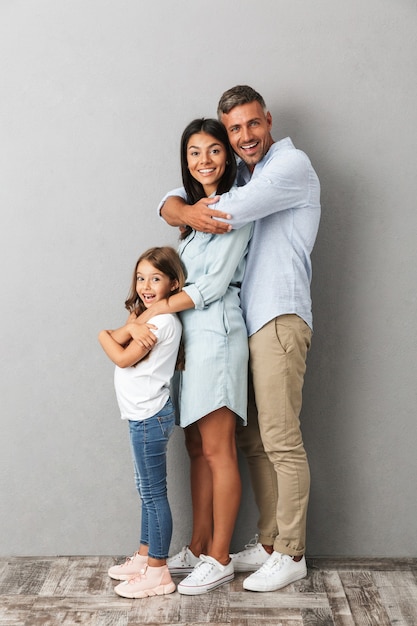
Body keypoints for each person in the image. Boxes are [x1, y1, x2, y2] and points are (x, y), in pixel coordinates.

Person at [159, 85, 321, 592]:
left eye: (252, 124)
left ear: (268, 120)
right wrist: (176, 203)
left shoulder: (287, 167)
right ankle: (271, 542)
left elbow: (221, 210)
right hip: (251, 322)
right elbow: (186, 194)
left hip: (280, 315)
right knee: (254, 440)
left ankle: (291, 551)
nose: (245, 136)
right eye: (234, 129)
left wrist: (181, 208)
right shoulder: (250, 169)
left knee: (281, 438)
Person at [128, 118, 253, 595]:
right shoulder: (194, 217)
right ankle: (199, 546)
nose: (205, 160)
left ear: (229, 156)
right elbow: (168, 206)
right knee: (196, 447)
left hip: (219, 338)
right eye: (195, 152)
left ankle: (219, 556)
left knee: (219, 450)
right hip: (190, 345)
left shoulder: (233, 209)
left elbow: (212, 286)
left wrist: (154, 308)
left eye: (214, 151)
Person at [98, 246, 184, 599]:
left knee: (153, 495)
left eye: (156, 278)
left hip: (149, 417)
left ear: (174, 284)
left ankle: (158, 573)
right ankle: (145, 556)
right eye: (140, 277)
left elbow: (119, 355)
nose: (146, 285)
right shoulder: (147, 317)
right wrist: (128, 326)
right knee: (146, 492)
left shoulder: (158, 322)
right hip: (144, 416)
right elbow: (123, 337)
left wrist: (105, 333)